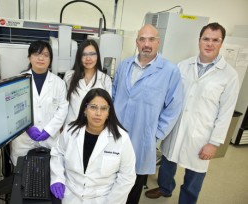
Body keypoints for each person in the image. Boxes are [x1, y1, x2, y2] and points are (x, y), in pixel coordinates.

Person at [145, 23, 240, 204]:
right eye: (206, 39)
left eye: (215, 40)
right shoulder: (182, 66)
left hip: (202, 135)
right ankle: (165, 188)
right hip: (176, 127)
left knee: (194, 176)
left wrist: (213, 143)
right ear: (199, 41)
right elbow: (169, 97)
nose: (209, 44)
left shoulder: (229, 75)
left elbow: (226, 113)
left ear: (221, 43)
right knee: (167, 161)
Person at [112, 24, 183, 204]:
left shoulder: (169, 71)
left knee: (134, 185)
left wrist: (156, 134)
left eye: (151, 39)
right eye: (142, 39)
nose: (146, 44)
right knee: (112, 180)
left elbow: (174, 106)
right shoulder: (124, 65)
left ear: (158, 42)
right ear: (137, 42)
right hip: (116, 133)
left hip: (142, 138)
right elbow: (113, 95)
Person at [50, 88, 136, 204]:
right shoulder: (70, 131)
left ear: (109, 113)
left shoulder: (121, 138)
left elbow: (127, 177)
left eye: (103, 108)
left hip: (104, 199)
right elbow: (58, 153)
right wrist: (57, 178)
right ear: (85, 110)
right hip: (70, 195)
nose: (98, 113)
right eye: (93, 107)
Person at [11, 40, 69, 165]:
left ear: (50, 59)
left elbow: (63, 109)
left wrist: (49, 130)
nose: (41, 58)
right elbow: (13, 108)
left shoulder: (59, 83)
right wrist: (27, 127)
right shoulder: (17, 81)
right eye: (37, 54)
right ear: (29, 57)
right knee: (22, 177)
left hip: (50, 139)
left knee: (47, 174)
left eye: (46, 55)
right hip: (24, 140)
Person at [64, 39, 112, 125]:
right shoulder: (69, 76)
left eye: (92, 54)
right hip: (71, 126)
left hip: (94, 128)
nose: (88, 58)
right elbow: (64, 104)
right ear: (79, 57)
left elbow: (107, 108)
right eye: (84, 54)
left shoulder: (105, 79)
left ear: (98, 56)